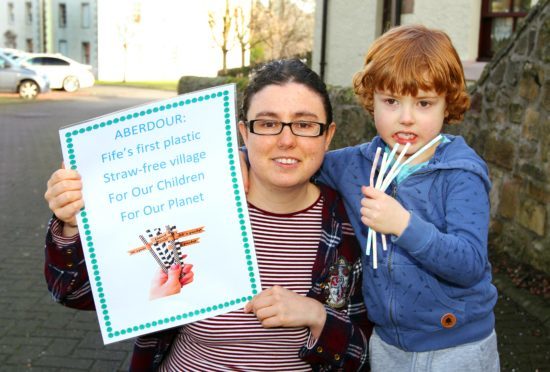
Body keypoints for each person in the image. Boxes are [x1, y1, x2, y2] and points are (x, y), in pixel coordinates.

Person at [44, 58, 372, 371]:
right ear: (244, 132)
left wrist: (318, 317)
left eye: (304, 124)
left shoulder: (350, 224)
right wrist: (72, 225)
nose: (286, 140)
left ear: (328, 135)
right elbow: (76, 293)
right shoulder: (191, 203)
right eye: (268, 123)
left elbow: (360, 354)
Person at [314, 24, 499, 371]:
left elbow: (470, 264)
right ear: (372, 102)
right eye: (391, 101)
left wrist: (404, 225)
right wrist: (247, 160)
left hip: (458, 345)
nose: (406, 117)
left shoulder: (461, 174)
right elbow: (299, 162)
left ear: (448, 104)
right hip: (387, 344)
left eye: (424, 103)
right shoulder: (355, 164)